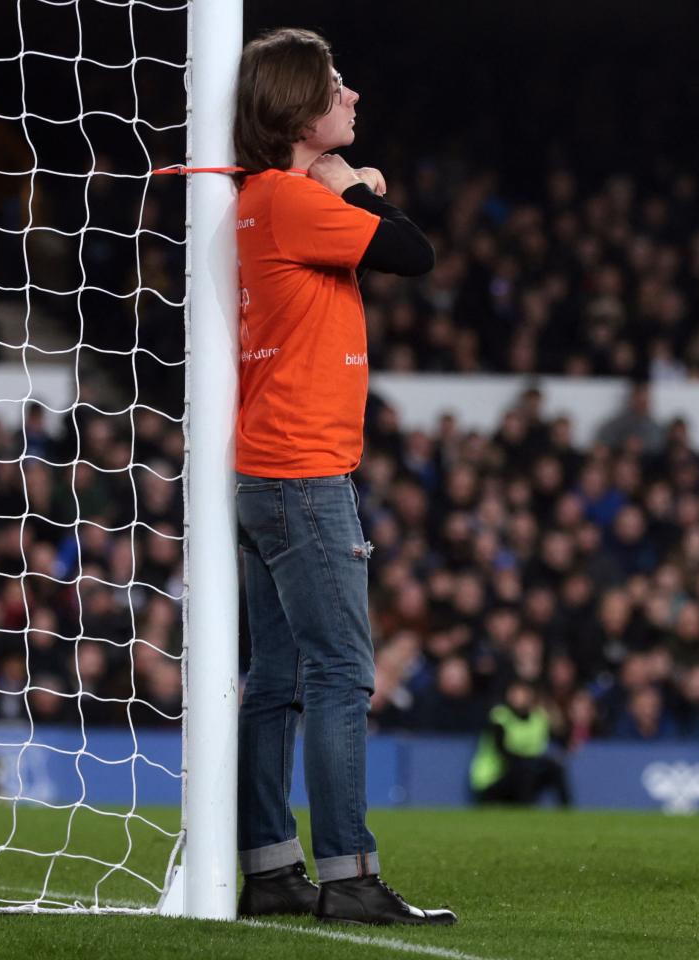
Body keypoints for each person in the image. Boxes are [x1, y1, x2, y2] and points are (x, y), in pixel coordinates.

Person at [229, 27, 452, 926]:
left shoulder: (261, 198)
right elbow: (414, 253)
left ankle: (273, 865)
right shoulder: (296, 198)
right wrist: (353, 185)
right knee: (339, 673)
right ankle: (350, 875)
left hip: (267, 469)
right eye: (337, 87)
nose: (353, 97)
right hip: (305, 471)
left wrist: (345, 186)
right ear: (298, 109)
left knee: (278, 674)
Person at [469, 680, 573, 807]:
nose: (520, 698)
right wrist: (528, 762)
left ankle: (567, 811)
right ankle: (527, 810)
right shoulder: (499, 716)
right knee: (523, 770)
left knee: (554, 768)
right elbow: (502, 752)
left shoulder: (539, 718)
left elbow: (557, 739)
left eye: (524, 694)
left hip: (525, 774)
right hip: (493, 779)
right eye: (516, 694)